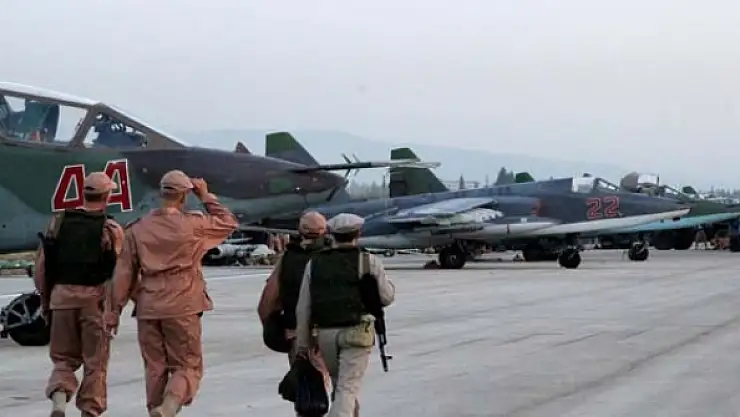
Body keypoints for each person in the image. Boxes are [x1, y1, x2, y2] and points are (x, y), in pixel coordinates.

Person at [104, 170, 238, 417]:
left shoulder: (137, 229)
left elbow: (123, 274)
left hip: (149, 306)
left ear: (161, 193)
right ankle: (168, 407)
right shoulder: (194, 225)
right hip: (183, 303)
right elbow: (228, 222)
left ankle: (156, 410)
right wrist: (206, 196)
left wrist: (113, 312)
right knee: (187, 365)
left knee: (155, 367)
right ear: (184, 196)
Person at [34, 172, 125, 417]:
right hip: (94, 302)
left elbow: (42, 268)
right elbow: (117, 274)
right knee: (95, 363)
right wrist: (114, 310)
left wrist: (46, 300)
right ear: (107, 196)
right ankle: (90, 411)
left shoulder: (58, 222)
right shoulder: (111, 228)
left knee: (63, 359)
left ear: (83, 193)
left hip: (61, 299)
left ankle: (59, 399)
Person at [295, 213, 395, 417]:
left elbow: (303, 306)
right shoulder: (368, 261)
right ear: (358, 233)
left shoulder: (315, 262)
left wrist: (303, 344)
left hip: (326, 334)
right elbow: (386, 297)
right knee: (347, 388)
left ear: (331, 234)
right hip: (357, 332)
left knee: (339, 386)